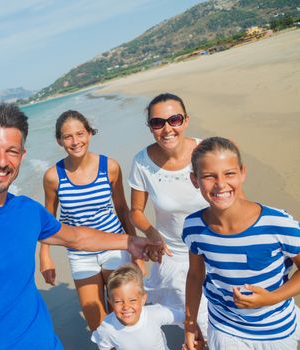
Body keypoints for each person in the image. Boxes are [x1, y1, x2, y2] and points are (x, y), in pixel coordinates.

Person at [0, 102, 161, 350]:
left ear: (22, 156)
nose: (2, 161)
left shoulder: (26, 210)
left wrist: (131, 241)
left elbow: (76, 238)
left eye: (12, 151)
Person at [183, 136, 300, 350]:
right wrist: (190, 324)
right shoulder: (193, 227)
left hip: (276, 331)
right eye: (209, 176)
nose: (220, 184)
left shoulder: (279, 223)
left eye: (229, 173)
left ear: (242, 173)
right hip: (225, 330)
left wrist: (271, 298)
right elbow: (195, 275)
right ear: (194, 180)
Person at [39, 110, 143, 331]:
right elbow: (47, 221)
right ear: (59, 140)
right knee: (96, 322)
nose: (75, 141)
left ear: (89, 134)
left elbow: (122, 209)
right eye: (68, 137)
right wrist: (45, 257)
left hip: (114, 245)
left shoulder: (110, 167)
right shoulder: (53, 177)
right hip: (80, 254)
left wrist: (135, 248)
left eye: (80, 134)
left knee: (122, 312)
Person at [127, 93, 208, 333]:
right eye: (157, 122)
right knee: (195, 327)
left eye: (174, 119)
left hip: (215, 249)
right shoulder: (142, 162)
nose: (167, 129)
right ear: (150, 127)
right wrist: (153, 235)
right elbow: (135, 212)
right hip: (175, 256)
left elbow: (231, 195)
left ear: (185, 120)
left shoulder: (207, 151)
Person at [91, 264, 197, 350]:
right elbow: (104, 346)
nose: (126, 307)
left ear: (143, 299)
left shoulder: (155, 314)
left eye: (132, 300)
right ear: (110, 302)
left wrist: (192, 341)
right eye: (118, 301)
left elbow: (186, 318)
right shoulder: (107, 327)